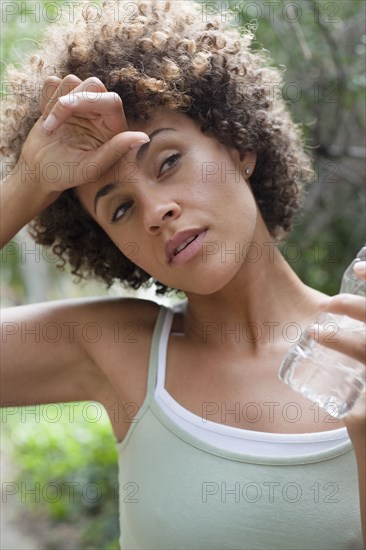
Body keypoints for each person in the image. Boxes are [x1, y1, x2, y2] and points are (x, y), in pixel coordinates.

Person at [1, 1, 365, 548]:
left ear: (238, 144)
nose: (155, 212)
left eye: (168, 161)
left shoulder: (357, 344)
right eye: (119, 209)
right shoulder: (118, 350)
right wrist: (30, 182)